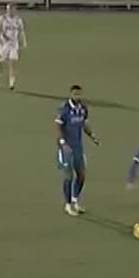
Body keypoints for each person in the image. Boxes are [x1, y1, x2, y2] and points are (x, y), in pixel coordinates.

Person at [54, 85, 99, 217]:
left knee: (82, 175)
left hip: (78, 147)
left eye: (79, 94)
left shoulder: (83, 108)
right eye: (75, 94)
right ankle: (68, 205)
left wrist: (92, 136)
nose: (77, 96)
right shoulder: (64, 108)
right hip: (66, 148)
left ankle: (75, 200)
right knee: (69, 176)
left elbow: (84, 124)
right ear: (70, 94)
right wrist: (62, 142)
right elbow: (57, 126)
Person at [0, 4, 26, 90]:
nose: (10, 11)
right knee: (0, 63)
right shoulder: (2, 19)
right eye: (8, 10)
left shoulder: (18, 20)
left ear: (15, 10)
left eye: (11, 9)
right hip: (4, 45)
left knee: (12, 63)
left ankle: (11, 83)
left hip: (14, 45)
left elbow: (21, 32)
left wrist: (24, 42)